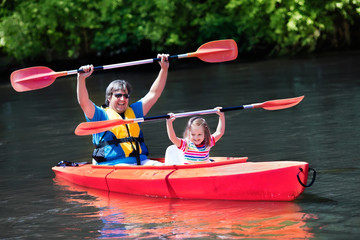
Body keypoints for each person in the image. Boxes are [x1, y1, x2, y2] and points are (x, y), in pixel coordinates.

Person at [77, 54, 169, 166]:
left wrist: (164, 69)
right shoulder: (99, 115)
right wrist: (81, 78)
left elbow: (154, 93)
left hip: (141, 161)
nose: (123, 99)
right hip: (113, 165)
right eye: (118, 95)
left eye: (126, 96)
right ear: (109, 97)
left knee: (163, 167)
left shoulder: (135, 111)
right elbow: (83, 102)